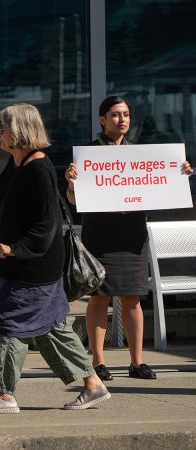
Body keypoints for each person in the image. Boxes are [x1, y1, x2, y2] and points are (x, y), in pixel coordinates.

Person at [0, 103, 110, 414]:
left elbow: (47, 224)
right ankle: (93, 384)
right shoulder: (18, 163)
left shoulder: (38, 169)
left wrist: (16, 249)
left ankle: (4, 395)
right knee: (50, 327)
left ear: (18, 131)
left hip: (34, 267)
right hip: (30, 265)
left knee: (6, 320)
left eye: (2, 128)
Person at [64, 96, 193, 381]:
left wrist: (180, 174)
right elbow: (74, 200)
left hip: (132, 232)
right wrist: (72, 184)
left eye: (125, 114)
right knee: (99, 297)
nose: (121, 119)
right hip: (99, 231)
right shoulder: (88, 155)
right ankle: (98, 363)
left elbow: (162, 183)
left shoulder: (140, 155)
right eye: (114, 115)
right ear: (102, 120)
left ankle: (137, 363)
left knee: (133, 298)